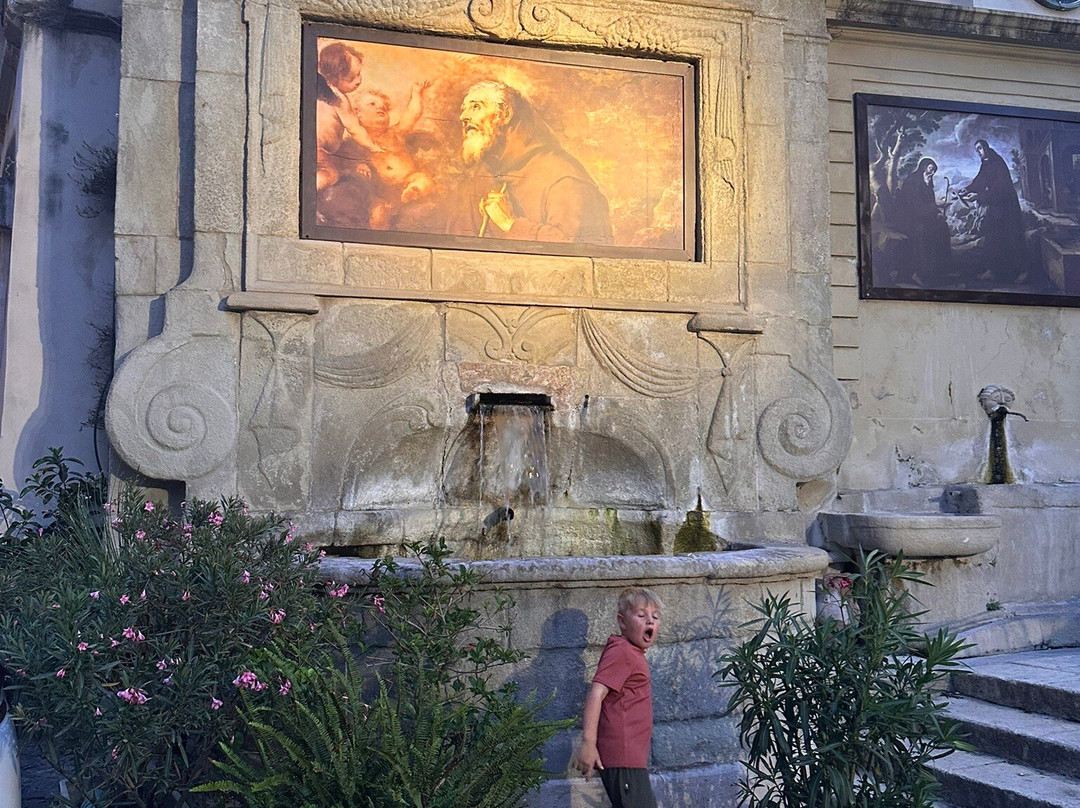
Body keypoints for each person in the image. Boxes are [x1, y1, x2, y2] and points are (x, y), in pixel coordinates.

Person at [454, 80, 613, 245]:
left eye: (476, 107)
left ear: (504, 114)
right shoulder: (480, 179)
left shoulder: (561, 175)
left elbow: (577, 247)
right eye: (464, 109)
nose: (463, 117)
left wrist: (509, 223)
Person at [575, 587, 662, 808]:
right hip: (623, 758)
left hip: (630, 759)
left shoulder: (631, 653)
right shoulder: (622, 651)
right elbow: (596, 693)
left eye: (655, 616)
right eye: (641, 615)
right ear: (622, 622)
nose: (650, 621)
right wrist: (588, 743)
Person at [350, 84, 435, 229]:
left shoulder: (395, 133)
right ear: (357, 113)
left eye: (384, 108)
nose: (380, 108)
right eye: (373, 104)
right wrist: (357, 165)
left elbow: (412, 115)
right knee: (377, 213)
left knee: (423, 178)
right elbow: (344, 160)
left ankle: (413, 191)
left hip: (407, 181)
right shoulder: (355, 142)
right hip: (382, 191)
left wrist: (416, 92)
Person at [315, 41, 383, 193]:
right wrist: (372, 146)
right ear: (332, 79)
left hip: (308, 146)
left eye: (358, 74)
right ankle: (313, 184)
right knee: (330, 174)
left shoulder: (315, 87)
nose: (358, 80)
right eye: (351, 78)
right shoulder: (339, 99)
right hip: (320, 151)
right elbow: (355, 129)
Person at [958, 139, 1026, 283]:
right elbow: (980, 180)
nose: (978, 152)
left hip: (1007, 207)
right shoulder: (986, 163)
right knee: (993, 237)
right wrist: (968, 189)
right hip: (995, 206)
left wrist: (978, 196)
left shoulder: (997, 163)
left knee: (1011, 238)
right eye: (976, 149)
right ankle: (993, 270)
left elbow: (1001, 190)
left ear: (986, 148)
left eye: (980, 148)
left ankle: (1022, 271)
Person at [893, 157, 951, 285]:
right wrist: (936, 206)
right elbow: (914, 207)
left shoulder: (927, 182)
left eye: (934, 171)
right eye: (931, 170)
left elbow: (929, 204)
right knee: (924, 232)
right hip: (910, 220)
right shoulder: (912, 181)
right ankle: (922, 274)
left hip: (923, 217)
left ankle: (942, 269)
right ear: (923, 168)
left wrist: (937, 214)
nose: (932, 173)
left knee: (942, 227)